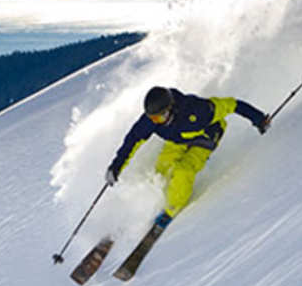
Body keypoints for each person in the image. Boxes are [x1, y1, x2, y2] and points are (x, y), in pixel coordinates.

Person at [105, 86, 270, 228]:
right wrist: (116, 166)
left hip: (205, 137)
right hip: (177, 140)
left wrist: (259, 119)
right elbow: (133, 140)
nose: (156, 121)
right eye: (153, 118)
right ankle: (160, 199)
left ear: (170, 109)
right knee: (162, 168)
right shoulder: (151, 120)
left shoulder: (199, 111)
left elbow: (232, 104)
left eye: (159, 117)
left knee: (183, 170)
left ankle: (172, 208)